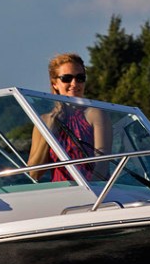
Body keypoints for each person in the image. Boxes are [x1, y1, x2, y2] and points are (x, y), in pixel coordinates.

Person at [27, 52, 110, 181]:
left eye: (80, 78)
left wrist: (91, 191)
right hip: (62, 194)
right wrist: (49, 132)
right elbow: (34, 174)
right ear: (55, 83)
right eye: (67, 78)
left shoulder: (95, 114)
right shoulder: (44, 121)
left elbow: (103, 163)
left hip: (96, 192)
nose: (74, 83)